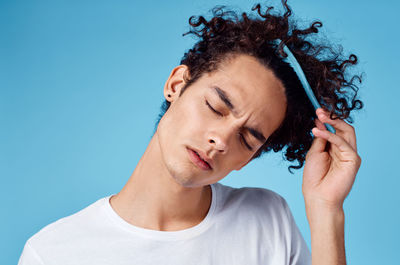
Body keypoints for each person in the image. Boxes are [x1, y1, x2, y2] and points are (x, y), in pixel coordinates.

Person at [18, 1, 363, 264]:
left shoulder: (268, 220)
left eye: (247, 138)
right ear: (176, 84)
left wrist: (326, 209)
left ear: (249, 159)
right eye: (216, 107)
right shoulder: (53, 252)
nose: (221, 141)